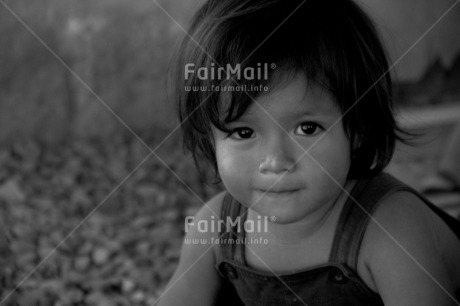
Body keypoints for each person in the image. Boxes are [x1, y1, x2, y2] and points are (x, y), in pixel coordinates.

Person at [160, 0, 460, 305]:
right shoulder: (217, 227)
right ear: (210, 140)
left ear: (358, 130)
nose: (276, 162)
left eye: (307, 129)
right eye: (243, 133)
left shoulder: (390, 229)